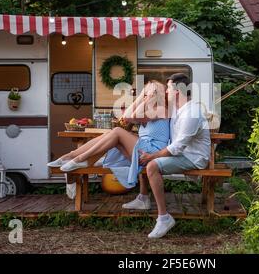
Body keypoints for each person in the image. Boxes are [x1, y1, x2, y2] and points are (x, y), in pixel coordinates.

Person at [122, 73, 211, 239]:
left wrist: (152, 156)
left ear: (177, 91)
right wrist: (146, 96)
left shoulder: (192, 113)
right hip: (181, 153)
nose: (166, 92)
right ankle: (144, 198)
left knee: (152, 165)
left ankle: (164, 218)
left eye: (168, 88)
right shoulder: (177, 109)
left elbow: (177, 148)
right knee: (143, 151)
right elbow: (133, 117)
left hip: (193, 158)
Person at [47, 81, 169, 191]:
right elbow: (127, 116)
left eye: (147, 93)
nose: (145, 95)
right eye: (145, 93)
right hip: (143, 150)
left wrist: (143, 97)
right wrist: (142, 95)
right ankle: (72, 156)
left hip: (151, 154)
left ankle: (80, 159)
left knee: (116, 131)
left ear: (155, 94)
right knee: (111, 134)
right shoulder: (151, 109)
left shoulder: (161, 109)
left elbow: (129, 117)